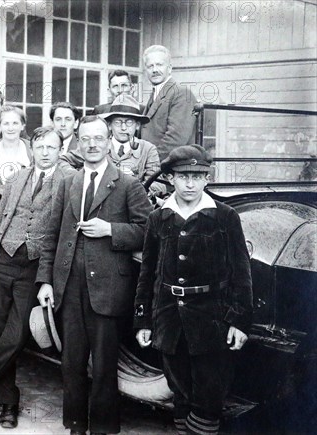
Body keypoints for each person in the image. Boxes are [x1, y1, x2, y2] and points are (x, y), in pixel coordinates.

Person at [36, 115, 153, 435]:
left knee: (103, 366)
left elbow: (147, 232)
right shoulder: (68, 181)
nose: (91, 145)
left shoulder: (128, 184)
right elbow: (51, 234)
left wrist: (110, 230)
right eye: (85, 139)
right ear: (78, 141)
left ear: (109, 142)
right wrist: (45, 280)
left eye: (98, 139)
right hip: (68, 287)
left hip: (109, 290)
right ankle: (75, 425)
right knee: (71, 363)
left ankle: (102, 428)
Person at [0, 127, 75, 427]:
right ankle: (7, 403)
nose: (45, 152)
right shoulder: (16, 178)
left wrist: (48, 278)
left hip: (35, 266)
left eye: (51, 147)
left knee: (17, 335)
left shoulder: (68, 181)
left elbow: (63, 233)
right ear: (32, 149)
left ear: (60, 149)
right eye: (40, 146)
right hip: (1, 261)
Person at [134, 145, 253, 435]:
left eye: (198, 176)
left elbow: (241, 272)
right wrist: (143, 319)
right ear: (171, 178)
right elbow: (148, 273)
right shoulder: (158, 218)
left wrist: (238, 320)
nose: (190, 183)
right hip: (169, 318)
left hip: (211, 320)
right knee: (180, 392)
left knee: (208, 398)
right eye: (184, 176)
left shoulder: (224, 217)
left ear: (207, 180)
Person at [61, 95, 164, 196]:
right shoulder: (97, 145)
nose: (123, 128)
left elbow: (159, 184)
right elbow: (62, 161)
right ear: (109, 125)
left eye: (129, 123)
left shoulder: (148, 149)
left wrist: (132, 185)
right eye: (118, 122)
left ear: (137, 125)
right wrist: (81, 177)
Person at [141, 45, 198, 160]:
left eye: (159, 65)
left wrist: (148, 162)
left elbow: (176, 139)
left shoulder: (181, 93)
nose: (155, 70)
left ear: (170, 68)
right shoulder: (156, 93)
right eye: (150, 66)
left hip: (170, 169)